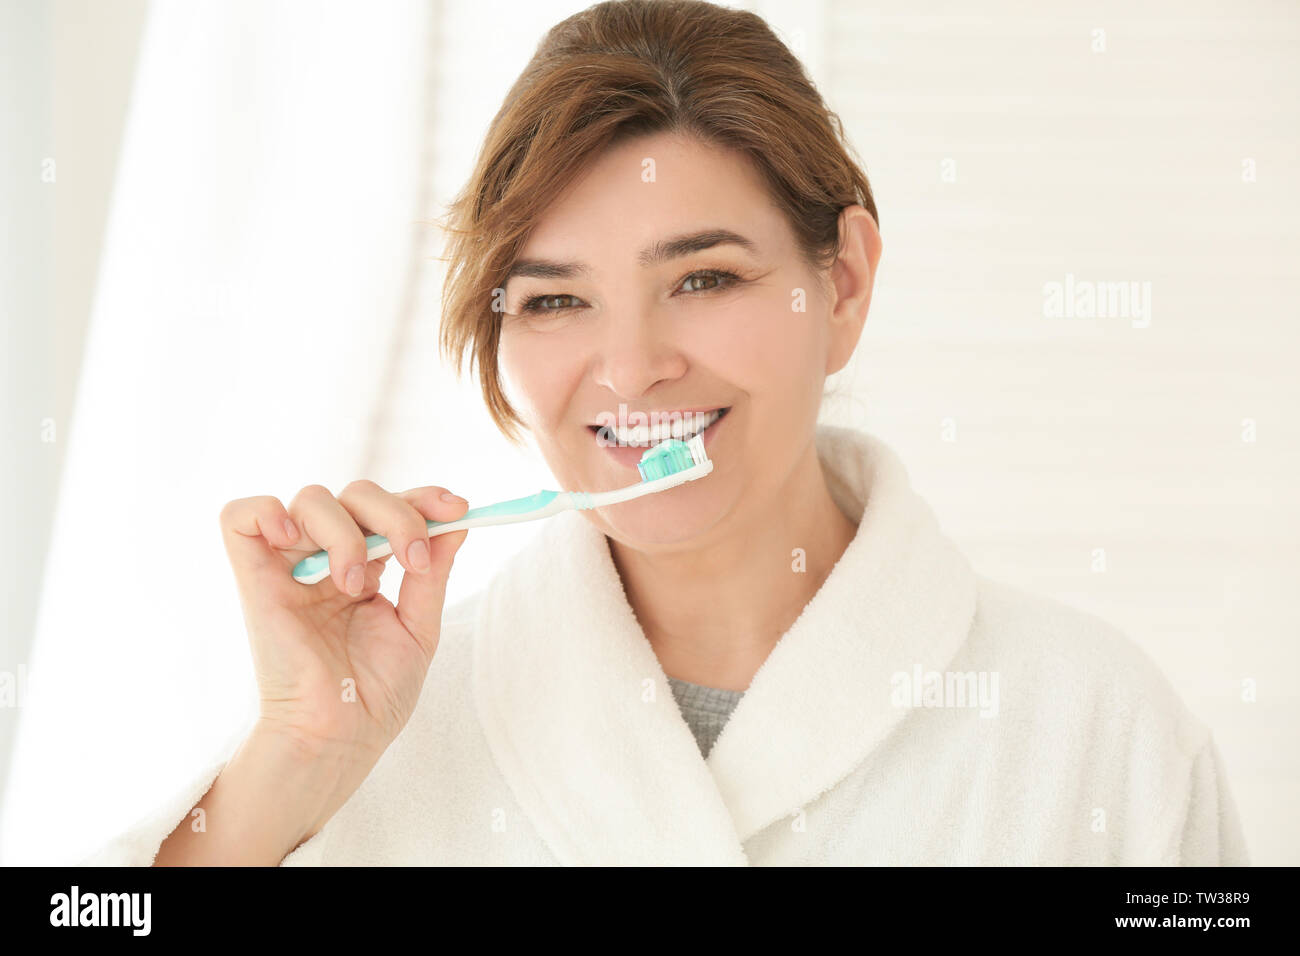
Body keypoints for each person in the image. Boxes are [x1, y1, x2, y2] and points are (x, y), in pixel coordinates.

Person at [80, 0, 1248, 866]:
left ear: (840, 282)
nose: (632, 365)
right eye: (552, 298)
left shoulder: (1097, 731)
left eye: (703, 277)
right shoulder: (379, 735)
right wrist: (286, 767)